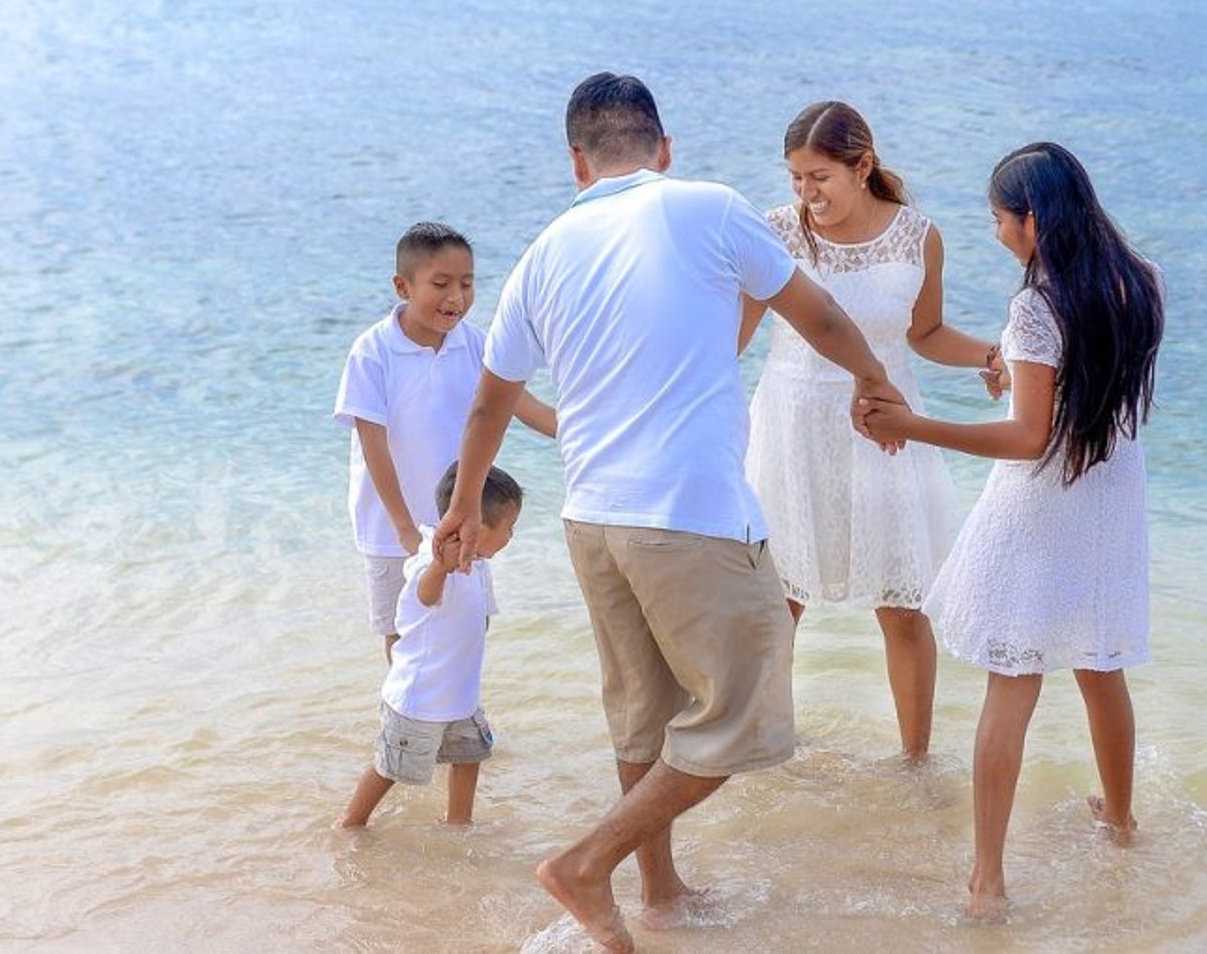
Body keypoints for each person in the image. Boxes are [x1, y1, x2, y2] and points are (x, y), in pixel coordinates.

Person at [435, 73, 904, 953]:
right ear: (665, 148)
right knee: (746, 709)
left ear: (577, 161)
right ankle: (588, 864)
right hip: (688, 512)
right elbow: (818, 316)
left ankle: (659, 892)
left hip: (592, 520)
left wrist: (463, 507)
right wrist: (875, 383)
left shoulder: (545, 250)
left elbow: (489, 403)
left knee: (644, 716)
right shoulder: (711, 207)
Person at [858, 142, 1164, 919]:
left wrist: (917, 424)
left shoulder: (1036, 306)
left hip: (1044, 501)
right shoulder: (1137, 282)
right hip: (1112, 492)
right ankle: (1123, 825)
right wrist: (1019, 377)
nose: (996, 234)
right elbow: (1081, 396)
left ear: (1032, 220)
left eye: (998, 220)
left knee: (1013, 677)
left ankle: (987, 879)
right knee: (1100, 668)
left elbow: (1030, 437)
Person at [739, 100, 1006, 759]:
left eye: (820, 177)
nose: (806, 194)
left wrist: (993, 356)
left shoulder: (917, 236)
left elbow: (926, 333)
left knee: (903, 600)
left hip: (887, 429)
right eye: (795, 178)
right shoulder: (774, 234)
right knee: (780, 601)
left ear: (863, 167)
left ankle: (915, 759)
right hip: (791, 428)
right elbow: (732, 340)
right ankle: (772, 749)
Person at [334, 222, 556, 660]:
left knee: (470, 626)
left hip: (463, 523)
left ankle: (460, 718)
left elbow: (523, 405)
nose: (456, 297)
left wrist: (593, 433)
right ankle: (405, 725)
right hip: (391, 531)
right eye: (441, 284)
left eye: (467, 284)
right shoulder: (372, 352)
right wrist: (402, 528)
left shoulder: (477, 344)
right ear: (403, 286)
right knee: (404, 638)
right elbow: (374, 446)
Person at [337, 462, 524, 828]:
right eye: (509, 528)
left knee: (470, 757)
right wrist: (442, 567)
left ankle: (458, 823)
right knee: (391, 767)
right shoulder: (431, 561)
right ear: (475, 525)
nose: (511, 536)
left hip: (461, 697)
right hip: (418, 699)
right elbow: (425, 594)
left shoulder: (479, 564)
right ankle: (351, 822)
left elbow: (479, 618)